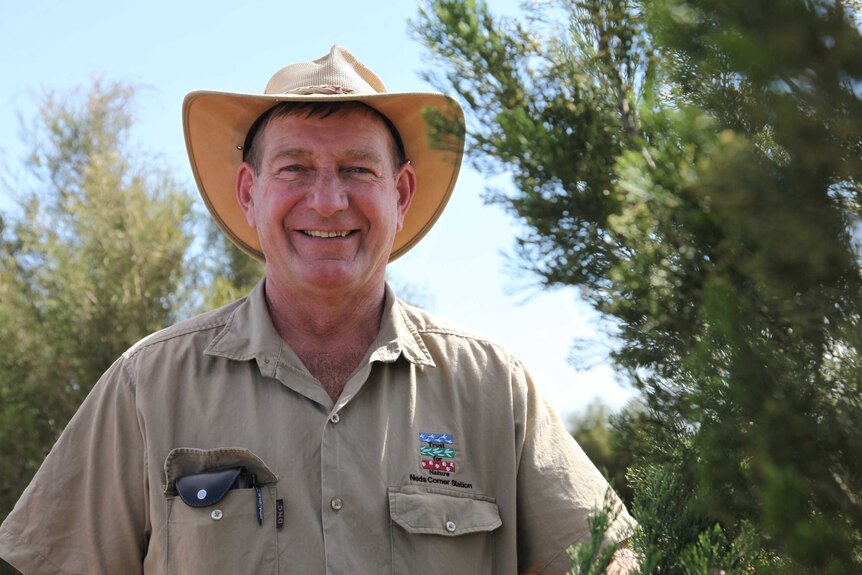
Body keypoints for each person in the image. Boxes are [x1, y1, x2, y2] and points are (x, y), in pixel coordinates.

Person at [0, 46, 636, 574]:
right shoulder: (148, 386)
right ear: (249, 193)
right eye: (295, 168)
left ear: (401, 192)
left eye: (357, 169)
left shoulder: (494, 388)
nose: (327, 201)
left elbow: (609, 561)